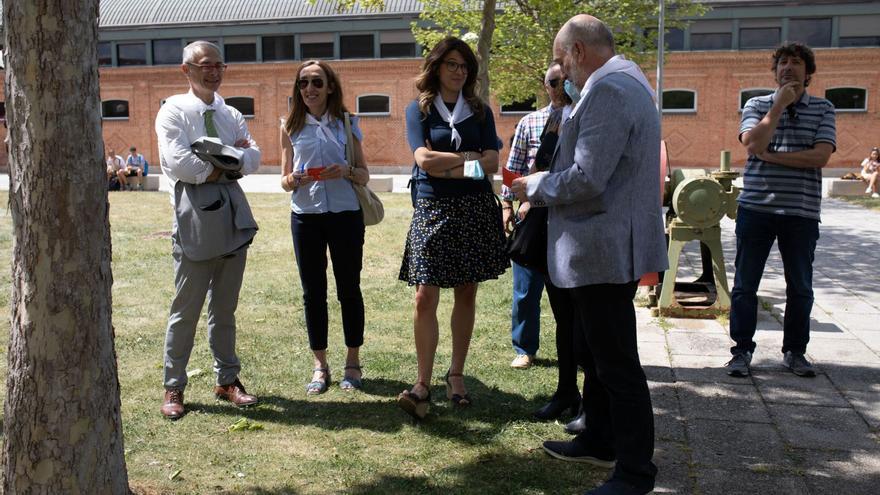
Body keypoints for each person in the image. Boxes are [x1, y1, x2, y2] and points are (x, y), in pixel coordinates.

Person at [512, 15, 667, 495]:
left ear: (577, 51)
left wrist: (534, 185)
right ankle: (600, 439)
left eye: (562, 60)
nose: (562, 72)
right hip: (601, 247)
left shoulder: (610, 91)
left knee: (617, 364)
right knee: (598, 357)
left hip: (602, 249)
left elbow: (587, 177)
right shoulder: (627, 82)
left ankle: (635, 472)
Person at [396, 37, 509, 419]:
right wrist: (467, 159)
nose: (459, 72)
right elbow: (423, 160)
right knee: (424, 295)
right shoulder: (419, 110)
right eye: (452, 65)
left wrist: (456, 165)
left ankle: (456, 375)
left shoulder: (480, 111)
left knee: (466, 290)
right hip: (432, 207)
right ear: (437, 67)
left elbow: (493, 161)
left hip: (473, 207)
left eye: (464, 67)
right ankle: (422, 382)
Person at [155, 40, 261, 420]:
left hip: (231, 216)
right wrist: (227, 165)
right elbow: (180, 165)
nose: (213, 71)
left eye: (219, 65)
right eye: (205, 65)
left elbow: (254, 157)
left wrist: (224, 163)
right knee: (186, 309)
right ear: (186, 69)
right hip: (193, 221)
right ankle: (174, 386)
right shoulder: (173, 112)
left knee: (225, 308)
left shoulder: (230, 112)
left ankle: (227, 380)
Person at [726, 42, 836, 379]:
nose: (789, 67)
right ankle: (741, 351)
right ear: (775, 71)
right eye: (783, 62)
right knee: (745, 284)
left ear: (809, 72)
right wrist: (776, 108)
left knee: (800, 286)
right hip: (756, 208)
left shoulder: (824, 108)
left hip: (801, 212)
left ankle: (795, 352)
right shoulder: (756, 104)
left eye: (797, 62)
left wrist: (772, 157)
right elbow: (752, 144)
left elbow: (820, 157)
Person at [279, 60, 370, 394]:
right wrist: (295, 179)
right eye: (303, 83)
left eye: (317, 82)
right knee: (312, 291)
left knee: (349, 288)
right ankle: (320, 366)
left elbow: (364, 173)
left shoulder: (347, 122)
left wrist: (345, 171)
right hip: (306, 216)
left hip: (345, 215)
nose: (309, 89)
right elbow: (285, 180)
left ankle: (352, 362)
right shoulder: (290, 125)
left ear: (330, 87)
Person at [502, 62, 572, 372]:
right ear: (545, 86)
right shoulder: (530, 122)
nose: (560, 88)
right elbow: (513, 167)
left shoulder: (580, 119)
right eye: (554, 82)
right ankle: (524, 347)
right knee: (525, 288)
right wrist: (507, 206)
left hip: (566, 213)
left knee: (567, 289)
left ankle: (572, 347)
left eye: (565, 82)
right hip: (531, 215)